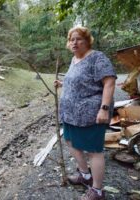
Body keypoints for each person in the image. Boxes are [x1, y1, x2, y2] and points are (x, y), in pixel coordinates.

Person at [54, 26, 117, 200]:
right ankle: (85, 175)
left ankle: (97, 190)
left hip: (91, 114)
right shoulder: (74, 60)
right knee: (71, 141)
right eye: (71, 39)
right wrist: (63, 83)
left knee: (93, 150)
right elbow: (78, 81)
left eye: (78, 39)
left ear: (87, 41)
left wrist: (104, 109)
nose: (74, 42)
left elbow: (109, 83)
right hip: (71, 113)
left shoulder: (97, 58)